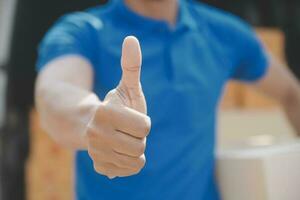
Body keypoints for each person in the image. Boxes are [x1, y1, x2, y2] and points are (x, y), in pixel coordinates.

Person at [35, 0, 300, 199]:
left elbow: (291, 93)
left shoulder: (223, 34)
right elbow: (55, 95)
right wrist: (91, 118)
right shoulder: (83, 31)